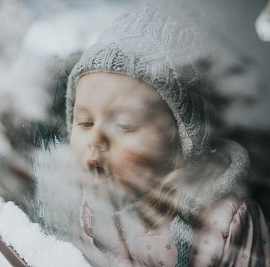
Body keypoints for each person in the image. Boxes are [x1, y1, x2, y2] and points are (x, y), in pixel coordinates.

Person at [34, 2, 270, 266]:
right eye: (85, 123)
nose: (95, 139)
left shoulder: (225, 223)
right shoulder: (84, 199)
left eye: (124, 124)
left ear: (181, 140)